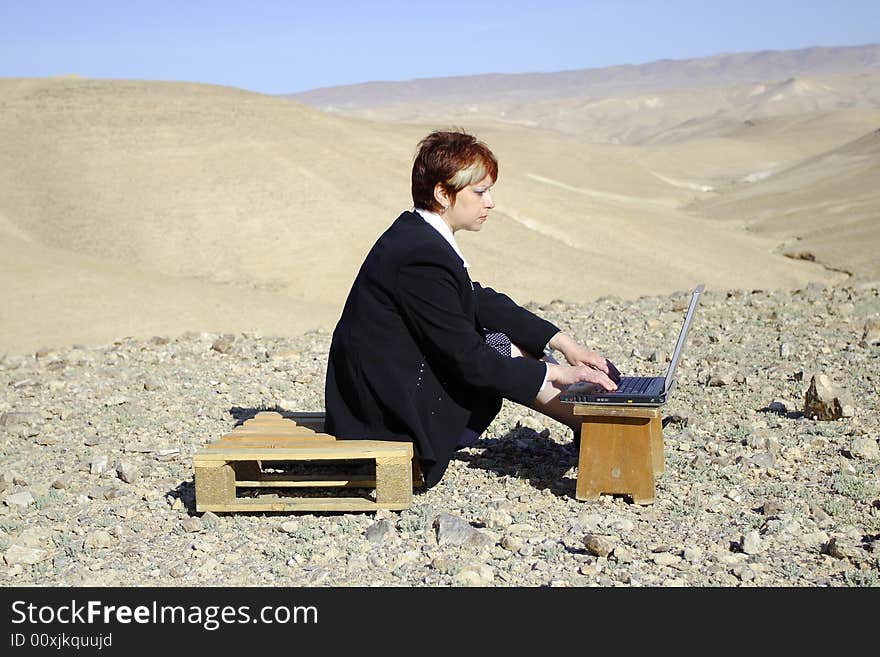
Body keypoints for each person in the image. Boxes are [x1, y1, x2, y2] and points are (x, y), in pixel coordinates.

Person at [324, 130, 620, 488]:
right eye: (479, 192)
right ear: (442, 193)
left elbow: (475, 298)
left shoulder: (418, 235)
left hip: (380, 391)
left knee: (498, 339)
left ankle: (590, 423)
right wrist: (558, 374)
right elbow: (468, 360)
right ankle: (597, 427)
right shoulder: (421, 256)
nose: (490, 202)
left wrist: (563, 342)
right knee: (493, 348)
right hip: (384, 415)